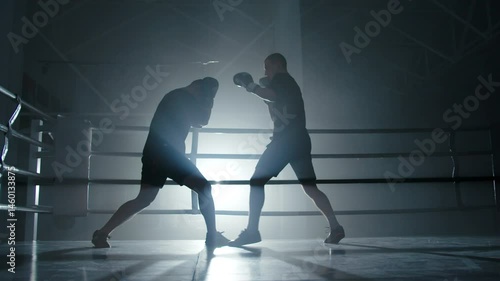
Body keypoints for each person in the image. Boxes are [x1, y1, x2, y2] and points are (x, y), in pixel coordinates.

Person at [91, 77, 229, 249]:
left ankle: (102, 233)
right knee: (204, 188)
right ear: (197, 87)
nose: (207, 97)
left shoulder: (175, 96)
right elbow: (203, 121)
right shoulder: (182, 97)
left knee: (144, 198)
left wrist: (206, 99)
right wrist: (209, 102)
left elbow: (197, 121)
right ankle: (212, 236)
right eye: (207, 94)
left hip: (154, 153)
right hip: (168, 154)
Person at [230, 53, 345, 246]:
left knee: (257, 180)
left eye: (267, 67)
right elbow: (272, 99)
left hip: (286, 141)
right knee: (310, 187)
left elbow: (270, 95)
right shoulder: (288, 85)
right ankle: (336, 227)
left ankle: (252, 231)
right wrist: (256, 88)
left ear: (276, 65)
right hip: (299, 140)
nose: (265, 71)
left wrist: (250, 86)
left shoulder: (282, 80)